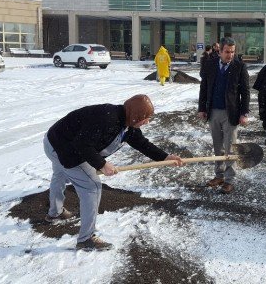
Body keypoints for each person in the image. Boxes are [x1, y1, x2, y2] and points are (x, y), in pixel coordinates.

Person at [43, 95, 184, 251]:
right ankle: (86, 239)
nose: (147, 122)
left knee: (60, 174)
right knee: (92, 187)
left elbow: (142, 144)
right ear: (136, 115)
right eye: (145, 117)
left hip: (54, 140)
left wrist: (165, 157)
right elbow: (82, 145)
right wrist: (102, 164)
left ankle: (55, 213)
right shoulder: (107, 119)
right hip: (63, 147)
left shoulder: (128, 124)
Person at [198, 37, 250, 194]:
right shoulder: (210, 64)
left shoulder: (239, 67)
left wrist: (244, 113)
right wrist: (202, 108)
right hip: (213, 111)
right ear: (219, 51)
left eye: (233, 52)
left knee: (230, 148)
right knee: (217, 146)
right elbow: (204, 87)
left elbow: (245, 92)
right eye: (227, 52)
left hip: (231, 113)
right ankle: (219, 175)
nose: (230, 55)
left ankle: (229, 180)